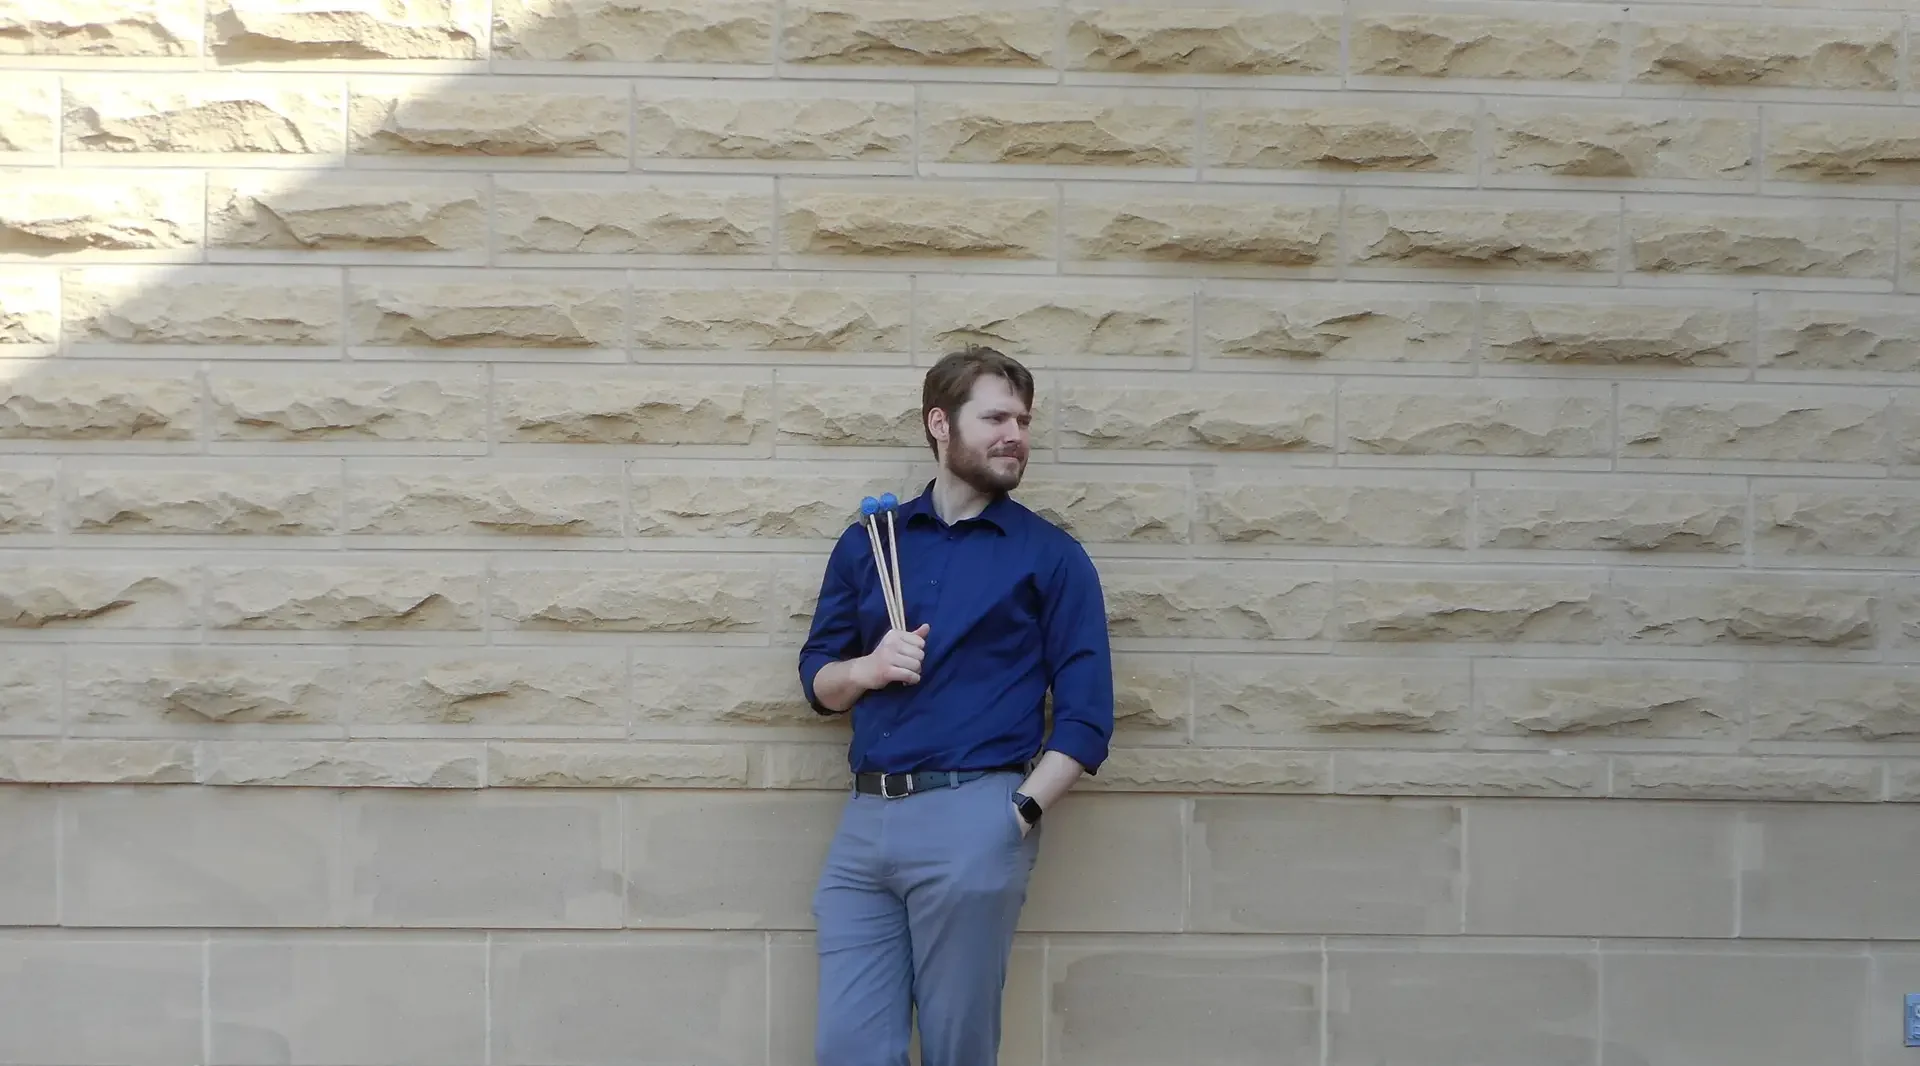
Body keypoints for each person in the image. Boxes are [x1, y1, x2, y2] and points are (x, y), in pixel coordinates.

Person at [796, 346, 1115, 1066]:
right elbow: (817, 680)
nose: (1016, 434)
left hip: (976, 814)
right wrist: (869, 668)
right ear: (939, 423)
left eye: (1024, 420)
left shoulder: (1052, 557)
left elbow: (1088, 717)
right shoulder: (868, 542)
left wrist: (1017, 816)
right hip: (865, 823)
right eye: (996, 416)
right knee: (848, 1049)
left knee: (956, 1050)